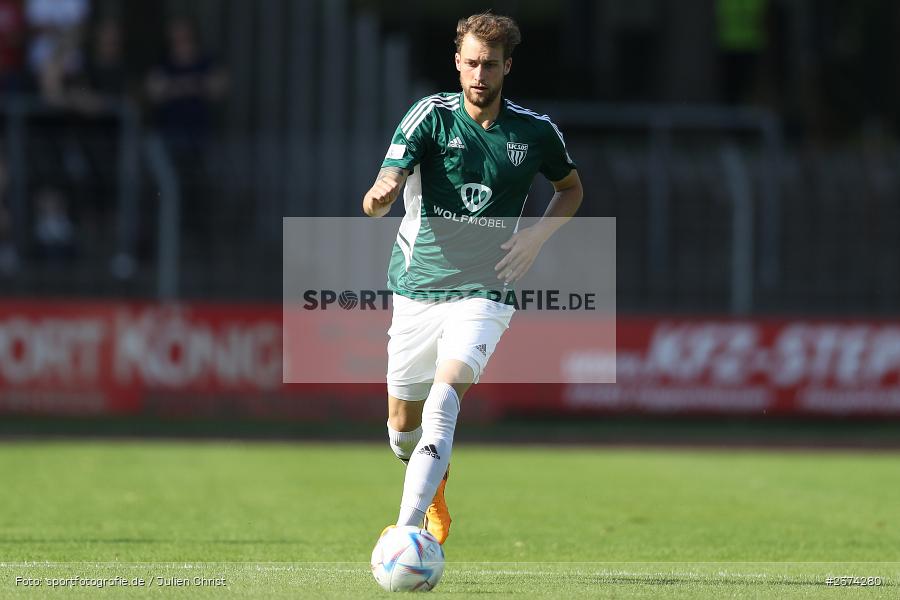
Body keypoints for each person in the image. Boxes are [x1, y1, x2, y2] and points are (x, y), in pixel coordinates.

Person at [362, 12, 583, 544]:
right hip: (418, 285)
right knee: (401, 432)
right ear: (457, 63)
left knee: (444, 399)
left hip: (487, 287)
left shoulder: (534, 131)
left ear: (507, 66)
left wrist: (534, 236)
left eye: (490, 64)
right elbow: (388, 175)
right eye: (471, 63)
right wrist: (381, 195)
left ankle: (408, 531)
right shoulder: (430, 117)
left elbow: (571, 188)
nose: (479, 73)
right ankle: (434, 491)